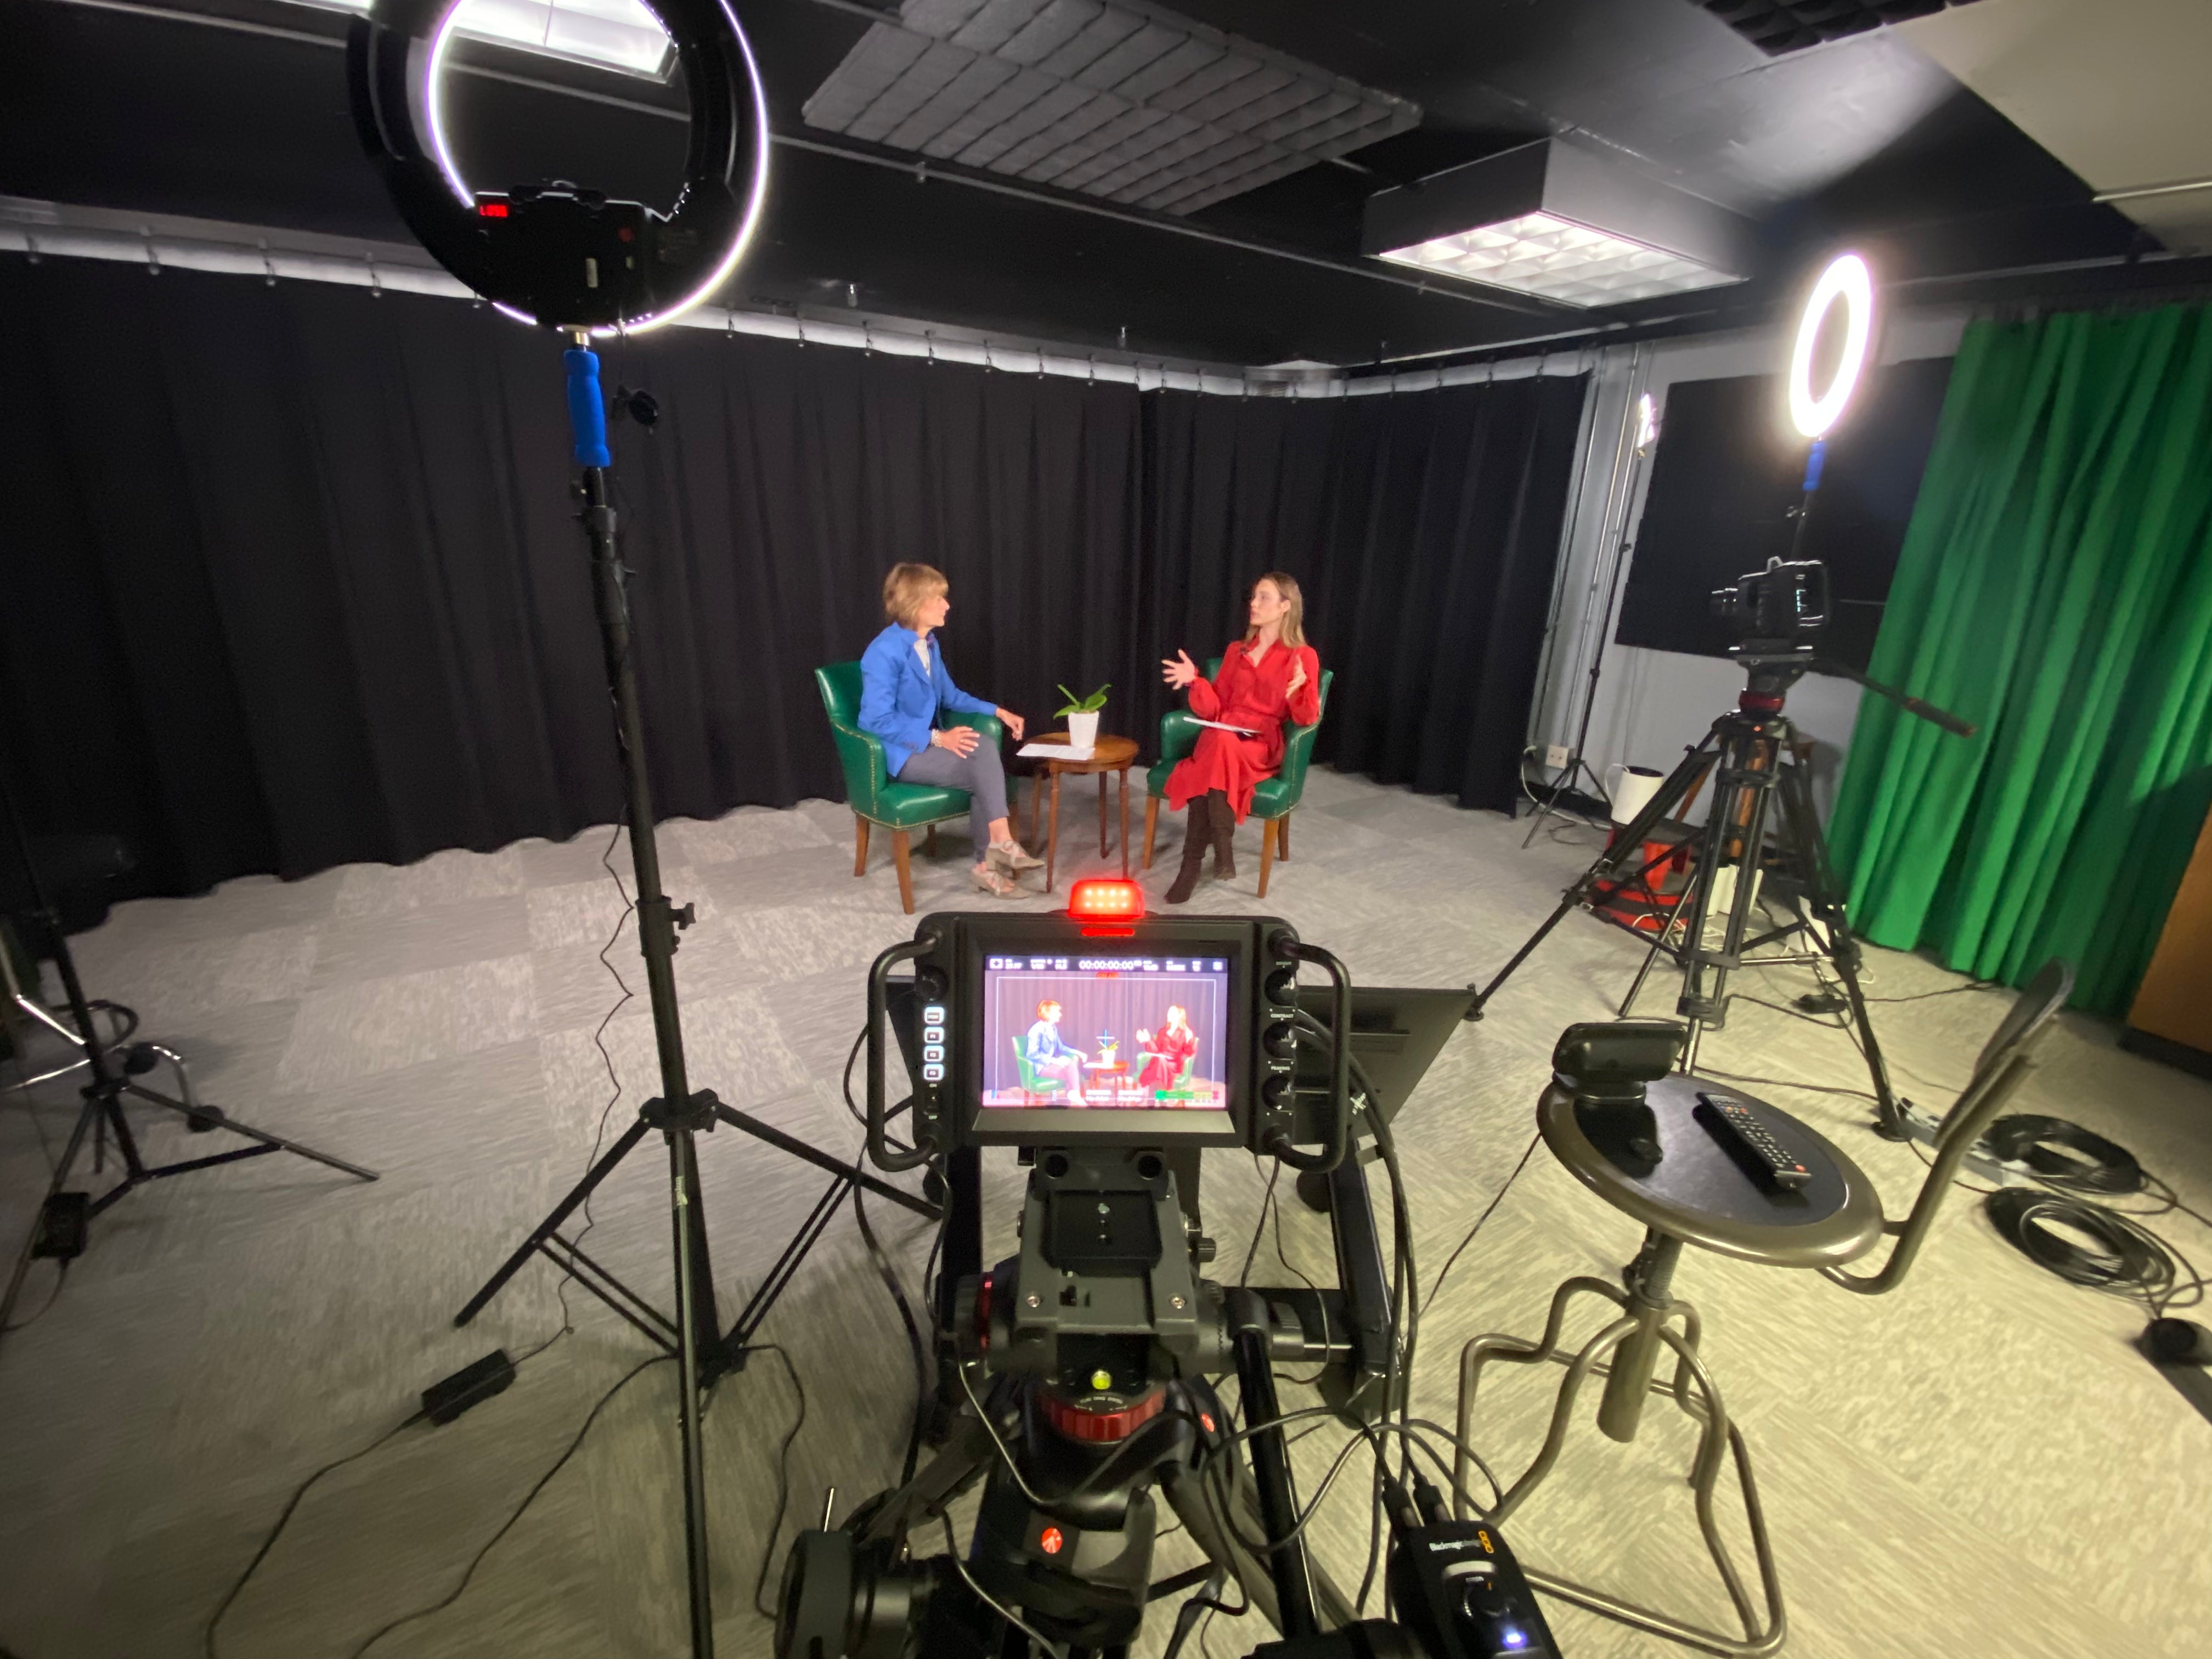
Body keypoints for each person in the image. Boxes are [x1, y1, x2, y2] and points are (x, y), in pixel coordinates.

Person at [859, 563, 1041, 898]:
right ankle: (992, 859)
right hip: (899, 753)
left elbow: (950, 695)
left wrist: (999, 711)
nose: (947, 605)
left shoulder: (929, 643)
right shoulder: (883, 652)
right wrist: (938, 738)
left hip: (926, 745)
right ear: (916, 604)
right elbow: (876, 721)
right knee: (983, 767)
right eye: (939, 599)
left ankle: (993, 856)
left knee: (982, 755)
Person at [1158, 572, 1321, 905]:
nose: (1254, 604)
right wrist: (1195, 681)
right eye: (1254, 597)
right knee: (1220, 743)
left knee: (1214, 757)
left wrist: (1300, 690)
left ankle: (1192, 866)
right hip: (1223, 735)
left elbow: (1306, 720)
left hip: (1260, 744)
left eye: (1264, 597)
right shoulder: (1237, 650)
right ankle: (1221, 849)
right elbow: (1214, 710)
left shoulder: (1303, 656)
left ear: (1285, 606)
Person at [1024, 1000, 1088, 1106]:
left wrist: (1078, 1053)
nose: (1060, 1014)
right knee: (1070, 1072)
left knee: (1069, 1066)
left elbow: (1061, 1047)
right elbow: (1032, 1055)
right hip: (1040, 1067)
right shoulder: (1036, 1030)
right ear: (1048, 1013)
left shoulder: (1053, 1028)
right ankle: (1073, 1099)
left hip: (1051, 1065)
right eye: (1057, 1012)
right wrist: (1054, 1060)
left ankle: (1071, 1099)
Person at [1135, 1005, 1198, 1095]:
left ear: (1180, 1016)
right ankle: (1160, 1099)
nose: (1168, 1014)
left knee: (1158, 1065)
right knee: (1159, 1062)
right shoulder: (1162, 1032)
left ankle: (1149, 1093)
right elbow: (1156, 1051)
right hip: (1159, 1062)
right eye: (1168, 1012)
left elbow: (1190, 1053)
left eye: (1172, 1013)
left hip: (1173, 1065)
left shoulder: (1185, 1033)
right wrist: (1148, 1040)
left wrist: (1189, 1041)